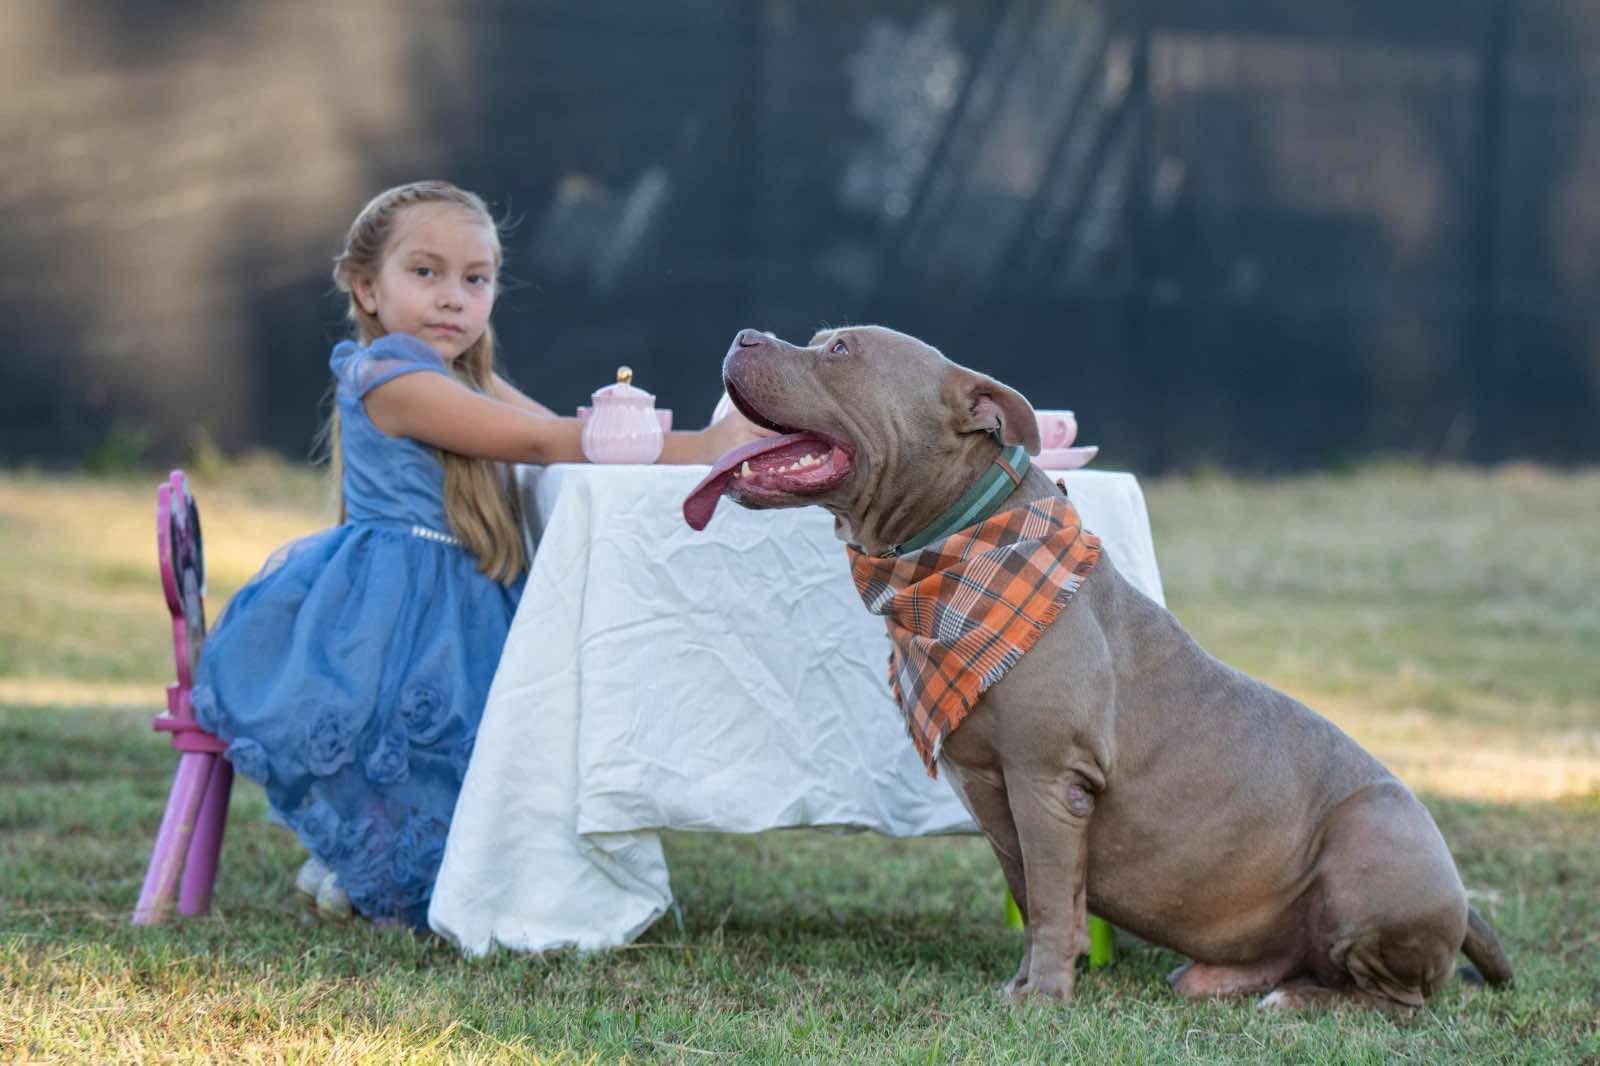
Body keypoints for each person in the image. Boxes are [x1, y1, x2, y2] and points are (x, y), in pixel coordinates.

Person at [191, 180, 764, 928]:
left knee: (487, 737)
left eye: (476, 279)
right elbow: (536, 441)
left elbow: (562, 434)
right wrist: (703, 447)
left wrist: (659, 447)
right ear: (367, 287)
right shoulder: (390, 378)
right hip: (398, 605)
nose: (453, 297)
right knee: (436, 735)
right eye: (425, 273)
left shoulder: (463, 375)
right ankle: (369, 869)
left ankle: (379, 869)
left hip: (458, 591)